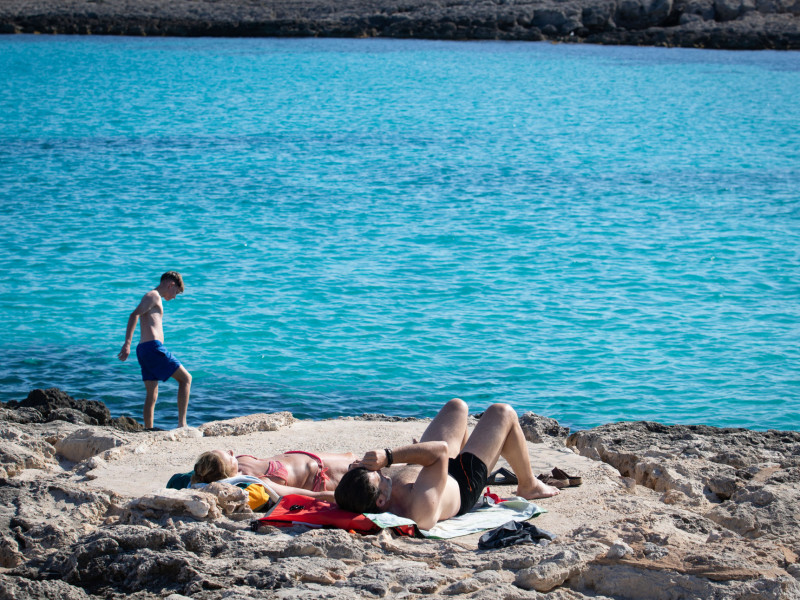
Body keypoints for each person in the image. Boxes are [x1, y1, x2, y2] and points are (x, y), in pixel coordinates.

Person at [334, 398, 560, 530]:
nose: (383, 473)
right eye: (379, 476)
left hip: (429, 466)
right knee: (503, 412)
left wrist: (359, 469)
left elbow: (330, 497)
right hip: (462, 480)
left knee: (457, 407)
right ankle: (529, 485)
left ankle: (479, 447)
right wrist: (389, 456)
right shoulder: (419, 509)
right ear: (381, 500)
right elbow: (440, 451)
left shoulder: (369, 495)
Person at [118, 271, 192, 429]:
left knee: (152, 393)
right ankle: (182, 424)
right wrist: (127, 344)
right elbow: (134, 315)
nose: (174, 297)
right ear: (171, 284)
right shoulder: (154, 295)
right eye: (176, 292)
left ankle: (148, 428)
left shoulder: (153, 297)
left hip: (145, 349)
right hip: (153, 348)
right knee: (186, 379)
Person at [192, 449, 356, 502]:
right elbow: (312, 496)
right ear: (227, 470)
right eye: (228, 456)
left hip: (313, 458)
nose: (232, 452)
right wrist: (345, 498)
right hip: (321, 476)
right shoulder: (258, 482)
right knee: (364, 471)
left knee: (354, 458)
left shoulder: (239, 462)